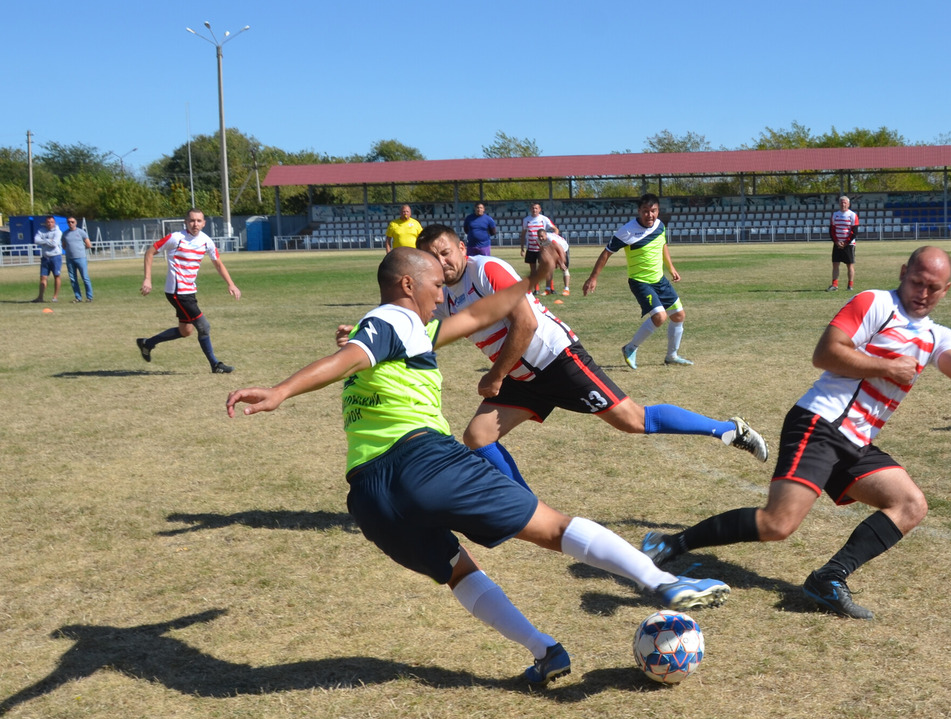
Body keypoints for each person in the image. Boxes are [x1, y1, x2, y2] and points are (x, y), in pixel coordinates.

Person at [227, 246, 731, 687]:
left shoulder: (409, 330)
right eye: (433, 285)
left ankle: (544, 652)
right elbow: (351, 356)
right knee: (553, 527)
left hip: (369, 496)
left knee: (458, 573)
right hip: (421, 460)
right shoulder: (392, 320)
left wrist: (533, 281)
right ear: (407, 284)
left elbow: (479, 313)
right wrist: (281, 391)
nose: (440, 294)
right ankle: (663, 582)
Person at [641, 247, 951, 620]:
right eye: (917, 281)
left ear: (947, 290)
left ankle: (829, 578)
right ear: (903, 273)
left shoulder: (938, 336)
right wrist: (886, 367)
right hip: (819, 424)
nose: (923, 293)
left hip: (856, 441)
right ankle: (670, 542)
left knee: (911, 505)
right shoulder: (876, 303)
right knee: (778, 524)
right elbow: (825, 353)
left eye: (934, 287)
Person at [396, 225, 766, 494]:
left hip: (557, 358)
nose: (442, 262)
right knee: (478, 436)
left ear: (462, 247)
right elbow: (414, 326)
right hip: (522, 376)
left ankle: (728, 429)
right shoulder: (441, 294)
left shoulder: (486, 270)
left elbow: (525, 324)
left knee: (632, 420)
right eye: (433, 257)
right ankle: (525, 508)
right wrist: (369, 334)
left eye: (446, 252)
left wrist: (495, 375)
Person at [583, 194, 692, 368]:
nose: (650, 215)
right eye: (646, 211)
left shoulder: (660, 225)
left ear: (658, 210)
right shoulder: (627, 231)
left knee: (679, 316)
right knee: (659, 317)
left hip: (660, 280)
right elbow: (606, 253)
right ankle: (630, 348)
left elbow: (662, 244)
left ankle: (672, 355)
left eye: (653, 211)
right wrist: (593, 277)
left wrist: (671, 268)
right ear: (639, 211)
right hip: (640, 281)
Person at [136, 208, 240, 373]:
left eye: (199, 221)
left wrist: (231, 284)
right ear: (186, 222)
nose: (195, 224)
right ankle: (215, 365)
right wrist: (147, 278)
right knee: (204, 326)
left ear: (204, 223)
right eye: (192, 220)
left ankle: (147, 343)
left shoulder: (206, 241)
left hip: (189, 291)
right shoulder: (175, 238)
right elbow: (150, 252)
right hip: (176, 292)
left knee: (186, 331)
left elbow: (218, 263)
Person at [828, 196, 859, 292]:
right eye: (841, 202)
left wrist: (846, 242)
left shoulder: (853, 215)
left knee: (850, 265)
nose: (843, 204)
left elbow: (854, 231)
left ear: (848, 204)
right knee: (835, 264)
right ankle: (834, 285)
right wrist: (836, 241)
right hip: (837, 244)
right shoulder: (835, 215)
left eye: (845, 202)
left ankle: (850, 285)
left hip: (849, 245)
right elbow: (832, 230)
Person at [520, 203, 557, 281]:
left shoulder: (544, 219)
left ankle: (549, 288)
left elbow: (555, 229)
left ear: (540, 209)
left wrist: (552, 240)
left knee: (546, 268)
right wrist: (522, 248)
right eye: (533, 208)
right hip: (531, 248)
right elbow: (523, 234)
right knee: (533, 270)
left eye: (536, 208)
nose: (534, 210)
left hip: (543, 248)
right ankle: (536, 289)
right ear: (530, 209)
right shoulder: (526, 220)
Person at [32, 216, 64, 303]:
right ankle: (40, 297)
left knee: (56, 276)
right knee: (43, 277)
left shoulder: (58, 232)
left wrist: (43, 240)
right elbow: (36, 240)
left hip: (55, 257)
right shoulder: (41, 230)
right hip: (45, 257)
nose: (50, 223)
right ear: (46, 223)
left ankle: (55, 297)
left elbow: (54, 243)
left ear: (54, 223)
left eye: (51, 222)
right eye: (48, 222)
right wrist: (47, 240)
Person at [62, 217, 94, 303]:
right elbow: (64, 245)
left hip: (81, 258)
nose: (70, 223)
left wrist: (80, 250)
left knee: (85, 277)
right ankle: (78, 297)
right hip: (70, 259)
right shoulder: (65, 234)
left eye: (72, 222)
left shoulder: (81, 232)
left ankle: (89, 297)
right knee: (73, 279)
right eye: (69, 222)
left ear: (75, 223)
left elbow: (88, 244)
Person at [537, 228, 570, 296]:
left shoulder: (551, 240)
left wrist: (561, 262)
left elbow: (560, 250)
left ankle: (566, 289)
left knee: (564, 268)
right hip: (553, 250)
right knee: (549, 269)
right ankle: (548, 289)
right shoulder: (538, 240)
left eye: (542, 236)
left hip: (563, 248)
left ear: (546, 235)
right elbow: (543, 249)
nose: (541, 238)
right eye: (539, 236)